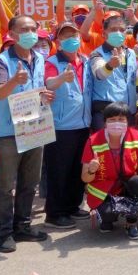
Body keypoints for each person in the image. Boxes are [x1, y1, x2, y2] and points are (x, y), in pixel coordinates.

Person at [0, 15, 54, 253]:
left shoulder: (39, 58)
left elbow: (38, 88)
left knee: (30, 182)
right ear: (12, 34)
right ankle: (4, 232)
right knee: (6, 185)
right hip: (8, 130)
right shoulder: (1, 60)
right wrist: (14, 81)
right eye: (23, 29)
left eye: (32, 28)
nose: (29, 32)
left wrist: (45, 94)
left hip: (35, 126)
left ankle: (23, 226)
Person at [43, 21, 92, 228]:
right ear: (58, 42)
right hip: (61, 125)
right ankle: (54, 213)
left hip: (83, 124)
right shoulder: (52, 62)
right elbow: (48, 83)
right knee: (58, 170)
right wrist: (61, 78)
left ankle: (72, 206)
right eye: (65, 36)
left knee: (75, 168)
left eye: (74, 35)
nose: (71, 39)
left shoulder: (86, 60)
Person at [81, 102, 138, 240]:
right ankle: (105, 217)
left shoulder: (136, 137)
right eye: (112, 120)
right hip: (104, 190)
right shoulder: (93, 141)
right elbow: (85, 178)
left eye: (121, 119)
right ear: (105, 122)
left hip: (127, 186)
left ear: (128, 121)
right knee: (107, 216)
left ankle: (131, 223)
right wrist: (91, 170)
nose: (117, 123)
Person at [88, 13, 138, 131]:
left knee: (127, 148)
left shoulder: (130, 53)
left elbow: (136, 82)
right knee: (103, 148)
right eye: (113, 29)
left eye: (122, 29)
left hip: (127, 113)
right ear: (104, 33)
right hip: (105, 114)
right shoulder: (97, 54)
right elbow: (99, 74)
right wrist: (109, 66)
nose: (118, 33)